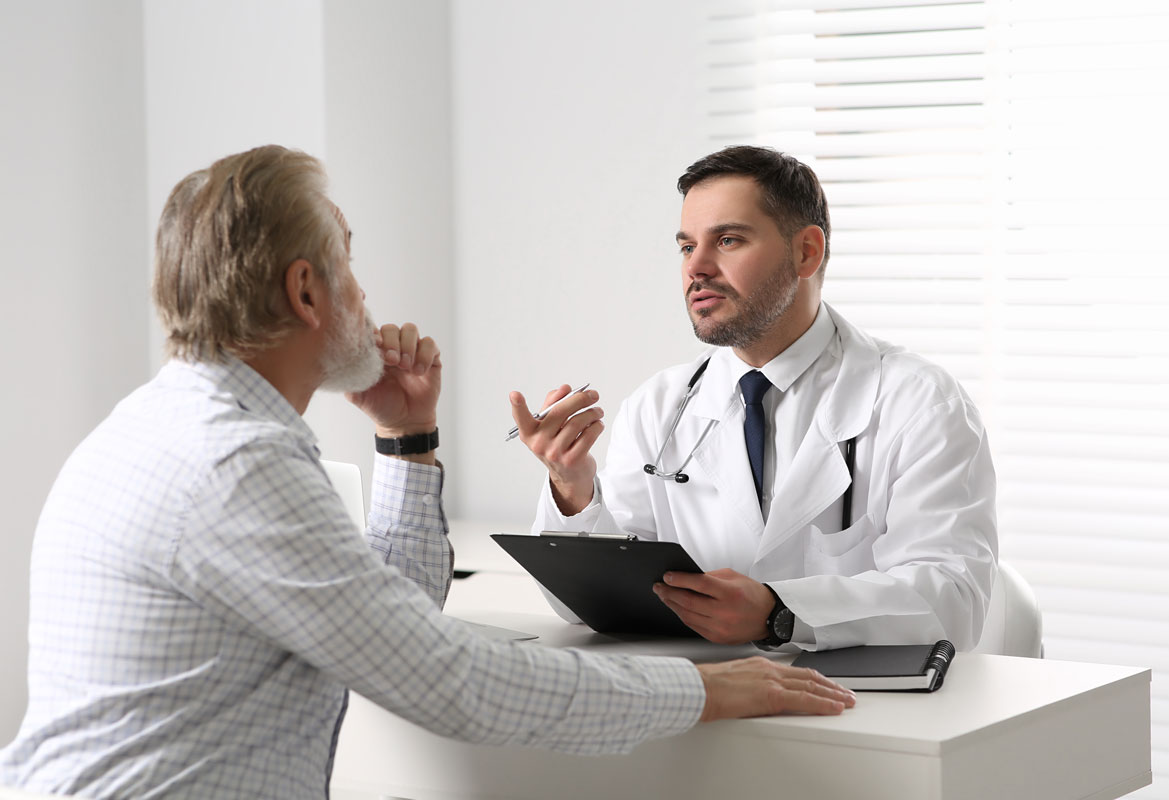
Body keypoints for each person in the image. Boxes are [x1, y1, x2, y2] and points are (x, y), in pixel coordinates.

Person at [0, 146, 855, 799]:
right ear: (306, 292)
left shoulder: (166, 422)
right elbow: (452, 683)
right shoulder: (236, 462)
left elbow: (387, 616)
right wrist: (702, 691)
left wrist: (408, 439)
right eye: (348, 264)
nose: (365, 297)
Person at [511, 145, 998, 652]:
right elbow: (586, 607)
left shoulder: (919, 403)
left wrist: (781, 613)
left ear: (807, 251)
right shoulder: (660, 405)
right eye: (685, 247)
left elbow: (952, 603)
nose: (696, 267)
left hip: (866, 712)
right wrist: (572, 487)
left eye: (727, 240)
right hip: (706, 704)